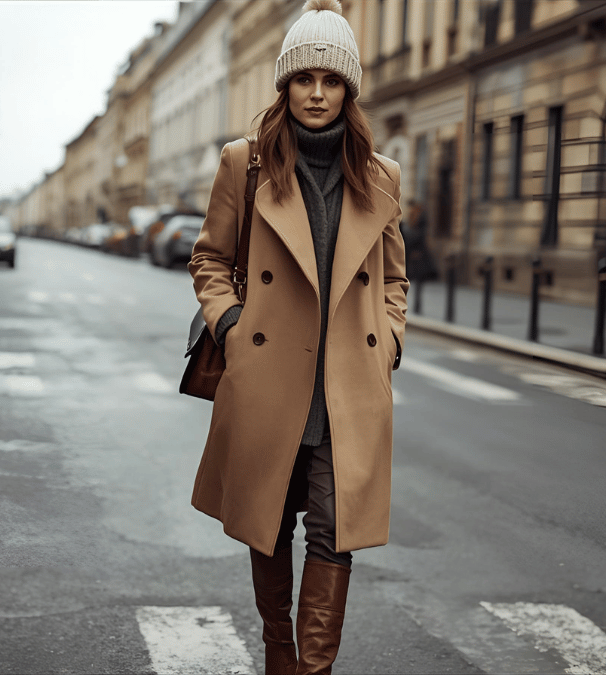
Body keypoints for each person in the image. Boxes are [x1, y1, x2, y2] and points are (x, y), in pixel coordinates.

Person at [187, 1, 407, 672]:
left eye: (331, 79)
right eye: (304, 78)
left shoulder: (380, 174)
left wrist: (388, 340)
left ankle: (311, 669)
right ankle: (279, 649)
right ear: (285, 85)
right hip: (270, 382)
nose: (317, 92)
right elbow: (209, 259)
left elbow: (395, 277)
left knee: (334, 530)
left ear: (349, 88)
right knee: (268, 525)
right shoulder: (244, 164)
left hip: (347, 389)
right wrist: (230, 323)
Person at [402, 200, 437, 283]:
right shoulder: (416, 214)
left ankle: (421, 275)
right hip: (416, 240)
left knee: (416, 258)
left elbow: (418, 229)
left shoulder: (418, 215)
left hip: (417, 241)